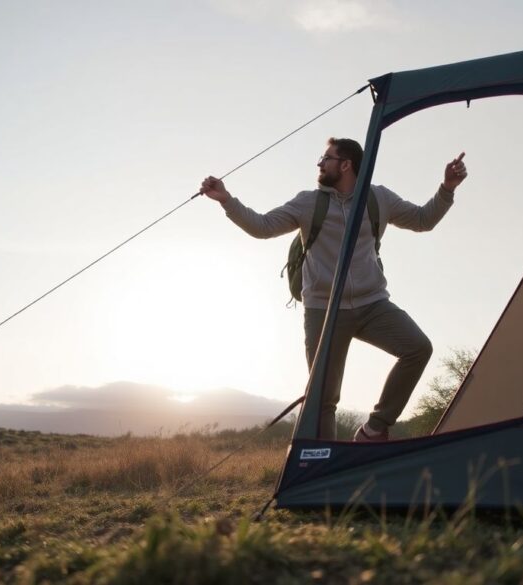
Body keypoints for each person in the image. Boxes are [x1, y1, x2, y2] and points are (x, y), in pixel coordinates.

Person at [199, 137, 467, 441]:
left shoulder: (378, 199)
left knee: (418, 348)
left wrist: (447, 188)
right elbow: (262, 227)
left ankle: (374, 429)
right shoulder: (308, 203)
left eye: (326, 158)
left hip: (372, 304)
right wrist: (226, 199)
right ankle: (323, 460)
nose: (320, 163)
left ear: (346, 165)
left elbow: (422, 220)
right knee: (323, 397)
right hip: (323, 310)